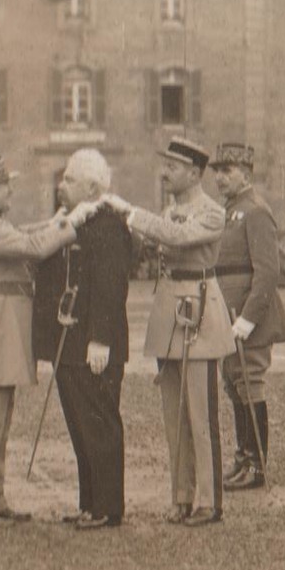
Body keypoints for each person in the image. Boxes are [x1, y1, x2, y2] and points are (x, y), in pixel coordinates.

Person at [0, 152, 86, 529]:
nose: (10, 190)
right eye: (5, 184)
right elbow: (33, 246)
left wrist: (54, 221)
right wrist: (74, 224)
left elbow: (22, 233)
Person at [102, 137, 232, 526]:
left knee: (200, 414)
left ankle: (208, 500)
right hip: (169, 310)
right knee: (172, 414)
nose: (166, 173)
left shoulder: (211, 212)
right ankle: (181, 495)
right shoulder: (169, 210)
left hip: (200, 309)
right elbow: (158, 238)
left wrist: (130, 213)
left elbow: (176, 237)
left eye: (173, 167)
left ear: (194, 173)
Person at [33, 149, 133, 529]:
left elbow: (110, 288)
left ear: (92, 187)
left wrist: (101, 340)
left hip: (93, 344)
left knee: (99, 425)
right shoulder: (76, 222)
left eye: (70, 180)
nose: (61, 185)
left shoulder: (107, 226)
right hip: (69, 342)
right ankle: (90, 502)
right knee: (81, 426)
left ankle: (108, 507)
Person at [209, 142, 285, 492]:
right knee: (234, 383)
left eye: (226, 171)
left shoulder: (256, 211)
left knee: (250, 382)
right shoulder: (230, 211)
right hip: (228, 313)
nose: (219, 178)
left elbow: (268, 272)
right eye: (217, 171)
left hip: (247, 317)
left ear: (246, 173)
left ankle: (256, 465)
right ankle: (243, 457)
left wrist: (247, 318)